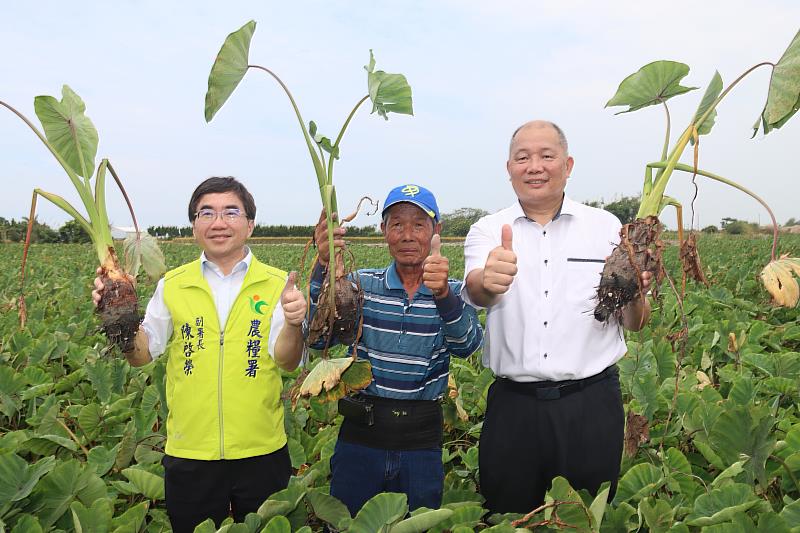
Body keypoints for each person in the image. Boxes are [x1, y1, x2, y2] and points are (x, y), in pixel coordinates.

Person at [92, 177, 307, 532]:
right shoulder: (173, 284)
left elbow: (285, 360)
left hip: (261, 449)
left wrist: (295, 323)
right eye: (206, 213)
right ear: (194, 225)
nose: (218, 222)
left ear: (250, 224)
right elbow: (142, 354)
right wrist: (116, 315)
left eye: (230, 212)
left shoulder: (278, 284)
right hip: (190, 451)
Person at [463, 121, 652, 514]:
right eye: (523, 157)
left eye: (547, 156)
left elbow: (635, 322)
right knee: (508, 513)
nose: (535, 166)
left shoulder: (607, 228)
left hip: (591, 403)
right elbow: (477, 288)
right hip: (514, 406)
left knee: (586, 515)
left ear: (567, 165)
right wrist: (490, 278)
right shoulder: (486, 230)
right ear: (509, 168)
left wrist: (635, 291)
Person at [308, 184, 483, 515]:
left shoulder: (454, 292)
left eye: (418, 224)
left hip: (421, 444)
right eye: (397, 224)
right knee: (349, 522)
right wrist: (322, 265)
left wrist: (443, 294)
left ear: (436, 231)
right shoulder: (361, 285)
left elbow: (467, 346)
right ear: (383, 230)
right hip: (361, 438)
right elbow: (318, 338)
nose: (407, 235)